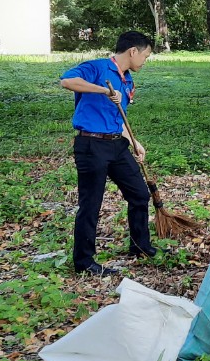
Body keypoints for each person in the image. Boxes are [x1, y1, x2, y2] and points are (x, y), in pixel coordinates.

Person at [59, 31, 160, 276]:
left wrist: (134, 141)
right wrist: (103, 91)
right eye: (145, 56)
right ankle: (84, 262)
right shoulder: (97, 68)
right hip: (91, 145)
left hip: (117, 144)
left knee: (139, 194)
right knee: (90, 203)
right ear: (133, 51)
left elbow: (119, 117)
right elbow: (67, 81)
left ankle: (140, 247)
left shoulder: (128, 81)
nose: (145, 61)